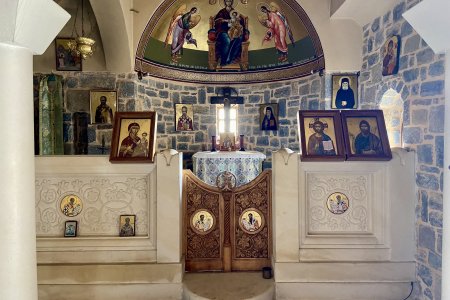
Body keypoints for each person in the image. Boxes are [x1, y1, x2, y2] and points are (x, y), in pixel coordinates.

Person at [214, 0, 246, 66]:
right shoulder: (222, 12)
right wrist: (225, 21)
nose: (229, 2)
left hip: (233, 30)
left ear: (232, 2)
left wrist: (238, 20)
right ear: (225, 2)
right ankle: (223, 60)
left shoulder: (234, 12)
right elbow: (217, 22)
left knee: (239, 38)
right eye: (227, 1)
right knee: (227, 40)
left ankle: (230, 59)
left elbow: (240, 22)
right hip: (222, 31)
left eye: (230, 1)